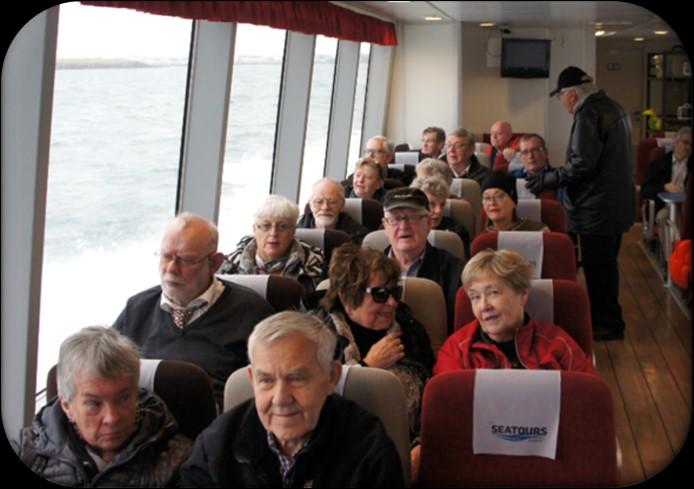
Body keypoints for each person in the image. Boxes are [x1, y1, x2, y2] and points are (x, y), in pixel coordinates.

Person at [179, 311, 405, 488]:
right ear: (251, 379)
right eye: (266, 380)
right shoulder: (216, 446)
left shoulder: (368, 449)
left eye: (296, 379)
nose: (280, 398)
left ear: (331, 377)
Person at [114, 212, 274, 406]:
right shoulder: (137, 308)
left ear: (214, 263)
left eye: (186, 260)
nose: (171, 268)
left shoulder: (252, 313)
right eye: (166, 256)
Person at [526, 66, 634, 341]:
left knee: (599, 271)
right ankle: (609, 319)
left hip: (596, 208)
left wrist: (549, 178)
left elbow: (581, 166)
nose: (562, 103)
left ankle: (607, 324)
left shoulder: (588, 113)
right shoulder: (614, 107)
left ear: (571, 95)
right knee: (606, 267)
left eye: (560, 97)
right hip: (614, 205)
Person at [13, 326, 192, 486]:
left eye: (123, 399)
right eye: (94, 404)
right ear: (67, 407)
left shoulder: (176, 459)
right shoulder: (27, 452)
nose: (112, 418)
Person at [312, 244, 434, 439]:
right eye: (380, 294)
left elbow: (431, 398)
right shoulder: (314, 336)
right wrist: (366, 367)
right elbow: (311, 401)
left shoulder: (410, 330)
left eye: (394, 292)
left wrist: (421, 444)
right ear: (347, 297)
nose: (392, 302)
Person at [434, 250, 596, 374]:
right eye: (475, 297)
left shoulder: (557, 343)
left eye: (494, 293)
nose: (483, 306)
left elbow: (588, 398)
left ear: (523, 295)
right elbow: (448, 410)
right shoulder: (457, 349)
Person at [382, 187, 464, 332]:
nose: (404, 226)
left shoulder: (456, 272)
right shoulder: (366, 270)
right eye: (395, 219)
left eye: (413, 217)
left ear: (429, 223)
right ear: (385, 226)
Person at [220, 195, 326, 294]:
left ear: (293, 231)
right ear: (255, 230)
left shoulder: (314, 265)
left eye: (282, 226)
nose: (273, 233)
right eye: (266, 226)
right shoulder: (230, 265)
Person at [641, 126, 692, 260]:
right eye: (685, 143)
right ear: (676, 143)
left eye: (691, 144)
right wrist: (665, 186)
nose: (688, 147)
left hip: (688, 207)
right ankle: (672, 260)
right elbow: (645, 190)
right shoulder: (659, 163)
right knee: (664, 218)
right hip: (665, 206)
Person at [410, 175, 471, 258]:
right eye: (432, 204)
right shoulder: (405, 230)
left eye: (442, 205)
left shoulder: (458, 232)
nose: (438, 211)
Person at [297, 178, 369, 244]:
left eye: (332, 202)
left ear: (342, 205)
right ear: (310, 205)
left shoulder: (358, 236)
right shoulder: (295, 232)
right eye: (319, 202)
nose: (325, 207)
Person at [481, 171, 549, 232]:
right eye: (487, 198)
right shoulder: (481, 238)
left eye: (498, 196)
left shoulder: (539, 231)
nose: (492, 203)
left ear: (513, 202)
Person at [509, 133, 566, 202]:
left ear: (546, 153)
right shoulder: (512, 178)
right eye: (525, 152)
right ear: (521, 157)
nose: (530, 156)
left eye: (535, 150)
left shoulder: (561, 178)